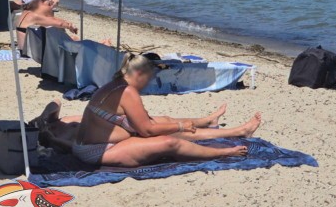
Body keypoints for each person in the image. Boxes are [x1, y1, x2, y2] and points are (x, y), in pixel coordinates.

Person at [60, 54, 260, 167]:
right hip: (98, 152)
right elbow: (146, 130)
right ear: (139, 73)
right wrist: (180, 126)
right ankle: (222, 152)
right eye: (149, 77)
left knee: (164, 122)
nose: (149, 82)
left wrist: (176, 125)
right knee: (170, 141)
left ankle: (236, 130)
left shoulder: (114, 84)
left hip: (89, 145)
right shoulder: (127, 91)